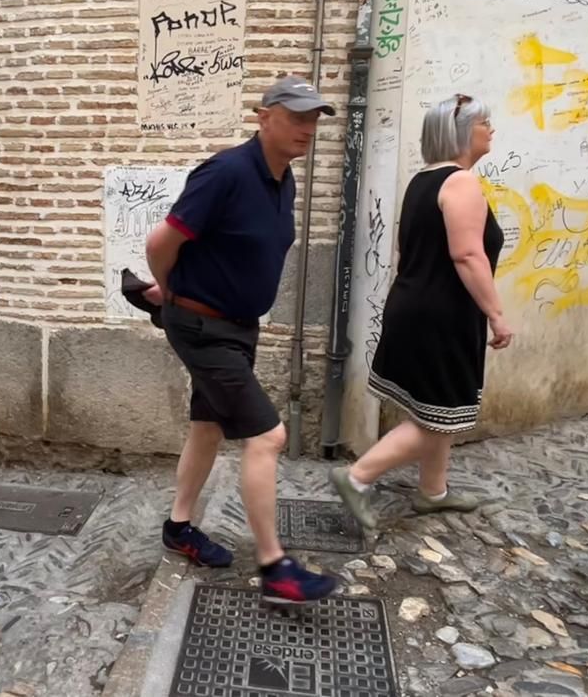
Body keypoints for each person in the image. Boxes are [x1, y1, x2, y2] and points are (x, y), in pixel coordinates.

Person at [141, 75, 340, 605]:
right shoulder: (226, 172)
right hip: (203, 326)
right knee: (268, 437)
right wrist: (171, 289)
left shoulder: (284, 179)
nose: (307, 128)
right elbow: (162, 241)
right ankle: (275, 567)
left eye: (315, 118)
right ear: (264, 115)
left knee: (207, 427)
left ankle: (179, 527)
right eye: (296, 116)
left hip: (235, 325)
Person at [330, 93, 512, 531]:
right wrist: (496, 314)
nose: (491, 130)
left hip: (414, 306)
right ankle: (356, 478)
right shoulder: (462, 183)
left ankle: (433, 492)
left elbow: (405, 252)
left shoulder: (422, 181)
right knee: (440, 414)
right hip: (442, 316)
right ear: (463, 131)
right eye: (485, 122)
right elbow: (468, 256)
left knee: (434, 410)